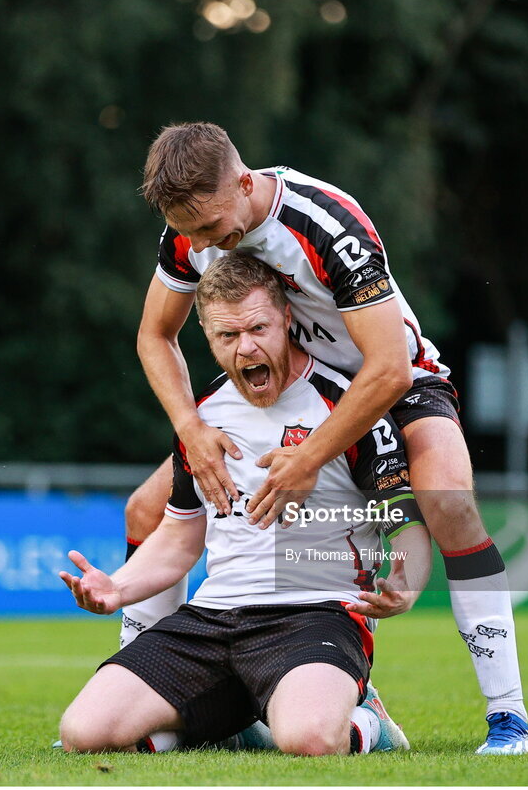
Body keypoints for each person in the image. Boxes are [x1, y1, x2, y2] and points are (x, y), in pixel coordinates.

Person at [123, 121, 528, 755]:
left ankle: (509, 720)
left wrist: (310, 457)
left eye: (209, 227)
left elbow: (390, 366)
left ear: (243, 182)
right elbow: (155, 335)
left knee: (448, 499)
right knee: (148, 510)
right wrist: (191, 428)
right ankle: (154, 695)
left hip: (390, 381)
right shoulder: (188, 235)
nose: (203, 244)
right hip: (284, 380)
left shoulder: (326, 224)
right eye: (189, 232)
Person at [58, 255, 431, 755]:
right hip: (212, 617)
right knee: (84, 733)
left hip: (315, 615)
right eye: (227, 337)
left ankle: (371, 725)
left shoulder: (348, 405)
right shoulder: (202, 416)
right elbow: (179, 537)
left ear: (288, 320)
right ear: (208, 341)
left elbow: (405, 522)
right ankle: (237, 718)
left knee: (309, 740)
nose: (246, 348)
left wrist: (405, 585)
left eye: (258, 328)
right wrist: (117, 587)